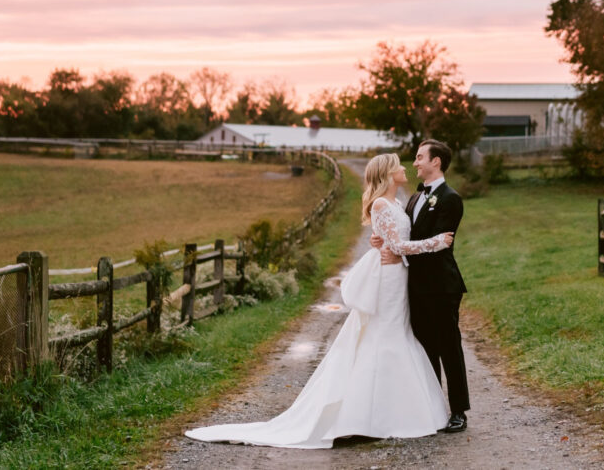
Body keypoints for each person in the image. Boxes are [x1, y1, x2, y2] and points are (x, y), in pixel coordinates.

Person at [184, 153, 454, 449]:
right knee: (384, 337)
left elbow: (394, 241)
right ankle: (365, 417)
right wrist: (437, 242)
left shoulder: (399, 203)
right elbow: (399, 245)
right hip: (387, 279)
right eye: (399, 164)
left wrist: (384, 242)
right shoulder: (379, 203)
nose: (405, 167)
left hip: (397, 277)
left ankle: (391, 414)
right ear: (388, 173)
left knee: (397, 335)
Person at [371, 138, 469, 433]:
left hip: (441, 285)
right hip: (413, 285)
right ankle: (432, 408)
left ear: (435, 162)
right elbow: (399, 233)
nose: (415, 163)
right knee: (425, 349)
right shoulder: (413, 198)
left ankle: (459, 411)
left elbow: (440, 243)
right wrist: (382, 241)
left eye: (419, 157)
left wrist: (399, 248)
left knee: (449, 346)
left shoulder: (451, 199)